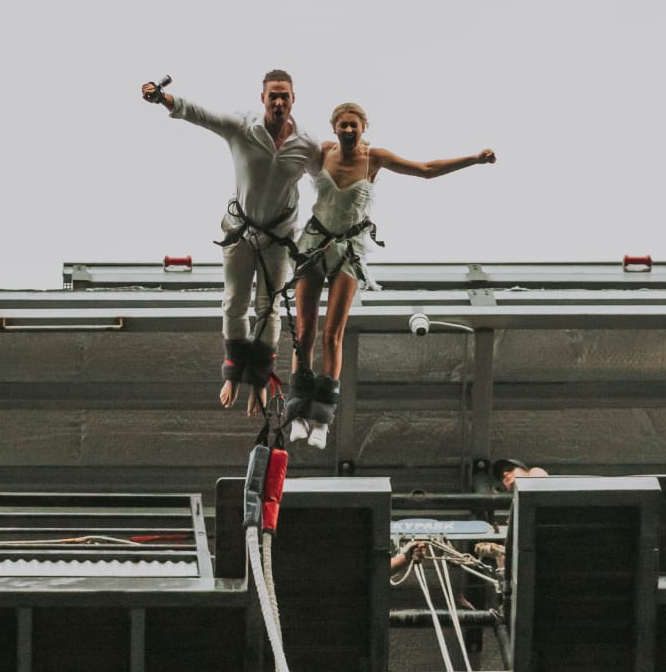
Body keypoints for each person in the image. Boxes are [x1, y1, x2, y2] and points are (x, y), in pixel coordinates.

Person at [287, 103, 497, 446]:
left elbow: (426, 169)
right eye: (343, 126)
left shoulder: (375, 158)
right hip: (313, 243)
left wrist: (473, 159)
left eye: (354, 125)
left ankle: (322, 418)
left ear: (363, 128)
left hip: (348, 250)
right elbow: (286, 162)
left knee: (332, 334)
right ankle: (297, 412)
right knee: (304, 330)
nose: (349, 131)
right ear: (334, 128)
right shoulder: (323, 151)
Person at [142, 71, 322, 411]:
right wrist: (162, 99)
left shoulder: (307, 145)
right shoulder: (242, 126)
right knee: (235, 303)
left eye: (285, 96)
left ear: (294, 99)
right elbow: (200, 114)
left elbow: (324, 180)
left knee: (268, 309)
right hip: (240, 230)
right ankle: (233, 371)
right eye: (273, 96)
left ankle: (259, 380)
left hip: (279, 238)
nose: (279, 102)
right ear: (263, 99)